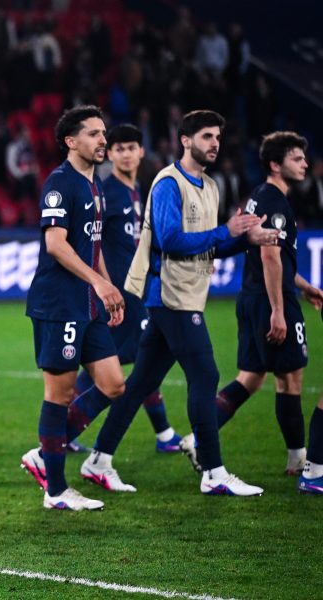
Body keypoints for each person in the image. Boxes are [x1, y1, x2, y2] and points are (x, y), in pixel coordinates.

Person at [77, 110, 278, 496]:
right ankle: (214, 472)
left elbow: (208, 245)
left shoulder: (211, 186)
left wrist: (244, 240)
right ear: (185, 141)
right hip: (170, 296)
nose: (214, 143)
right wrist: (225, 231)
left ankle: (98, 459)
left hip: (187, 296)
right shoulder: (168, 183)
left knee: (139, 383)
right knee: (205, 376)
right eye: (206, 136)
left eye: (217, 137)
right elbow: (169, 240)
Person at [19, 105, 127, 511]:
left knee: (113, 384)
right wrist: (98, 282)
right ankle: (56, 490)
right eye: (94, 133)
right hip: (59, 303)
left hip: (88, 303)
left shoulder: (94, 185)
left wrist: (108, 289)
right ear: (71, 141)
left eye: (104, 132)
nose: (103, 140)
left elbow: (93, 245)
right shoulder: (60, 183)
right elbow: (55, 244)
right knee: (60, 394)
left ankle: (44, 453)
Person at [200, 132, 323, 476]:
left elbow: (275, 258)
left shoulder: (259, 196)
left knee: (251, 378)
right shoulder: (275, 202)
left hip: (251, 297)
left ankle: (197, 439)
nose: (304, 164)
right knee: (290, 380)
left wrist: (305, 287)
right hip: (270, 300)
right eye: (296, 158)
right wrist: (279, 311)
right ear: (275, 165)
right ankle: (300, 459)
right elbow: (270, 256)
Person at [66, 124, 183, 461]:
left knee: (115, 363)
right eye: (119, 149)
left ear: (141, 152)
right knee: (138, 361)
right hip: (117, 296)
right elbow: (90, 241)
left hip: (134, 293)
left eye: (132, 148)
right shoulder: (108, 193)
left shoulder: (137, 191)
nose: (126, 154)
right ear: (111, 155)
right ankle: (162, 434)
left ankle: (63, 431)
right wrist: (102, 283)